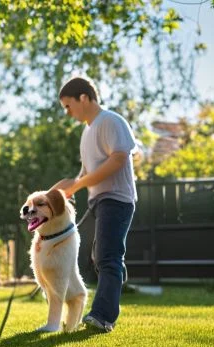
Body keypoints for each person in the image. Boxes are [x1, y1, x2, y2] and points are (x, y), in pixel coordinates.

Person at [52, 76, 137, 333]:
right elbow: (84, 174)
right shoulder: (87, 131)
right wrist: (58, 190)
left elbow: (118, 159)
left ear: (84, 98)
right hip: (99, 201)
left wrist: (77, 186)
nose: (68, 113)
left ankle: (103, 317)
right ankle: (116, 279)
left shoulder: (110, 121)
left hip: (117, 199)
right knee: (100, 257)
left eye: (68, 105)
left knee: (107, 257)